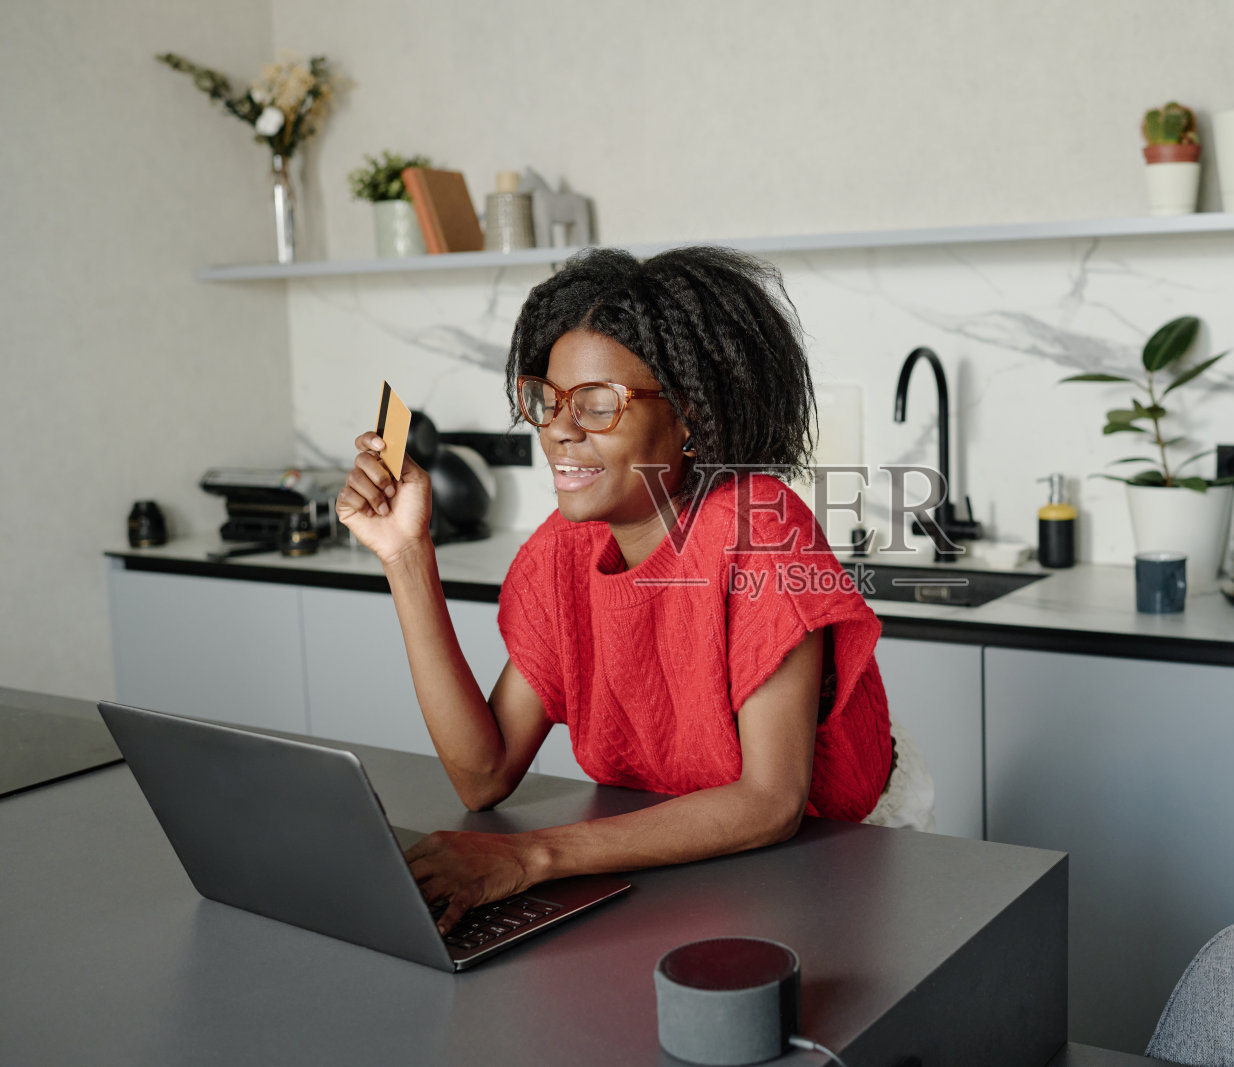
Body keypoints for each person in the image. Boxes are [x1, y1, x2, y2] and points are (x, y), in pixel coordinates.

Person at [336, 246, 932, 935]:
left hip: (837, 846)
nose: (558, 427)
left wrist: (531, 855)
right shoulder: (564, 552)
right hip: (676, 844)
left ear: (689, 418)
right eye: (548, 400)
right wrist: (407, 553)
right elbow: (485, 774)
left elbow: (771, 801)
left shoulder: (759, 530)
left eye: (596, 403)